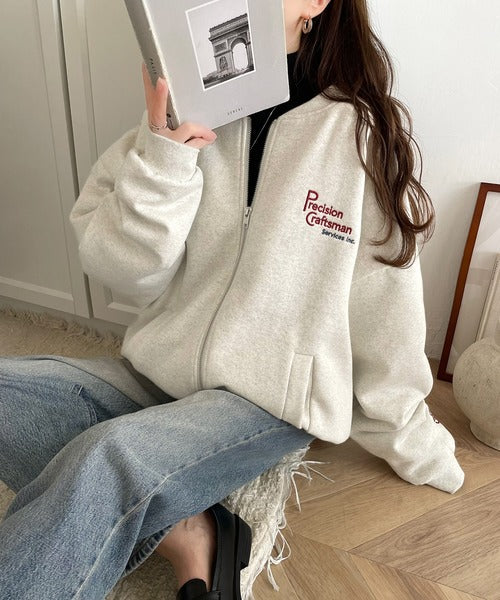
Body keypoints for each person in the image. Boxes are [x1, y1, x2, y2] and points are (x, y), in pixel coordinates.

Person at [0, 1, 465, 599]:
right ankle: (187, 527)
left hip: (262, 402)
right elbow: (123, 272)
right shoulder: (185, 114)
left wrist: (416, 441)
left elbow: (386, 312)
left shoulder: (360, 137)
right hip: (155, 373)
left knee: (106, 458)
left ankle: (156, 504)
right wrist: (166, 156)